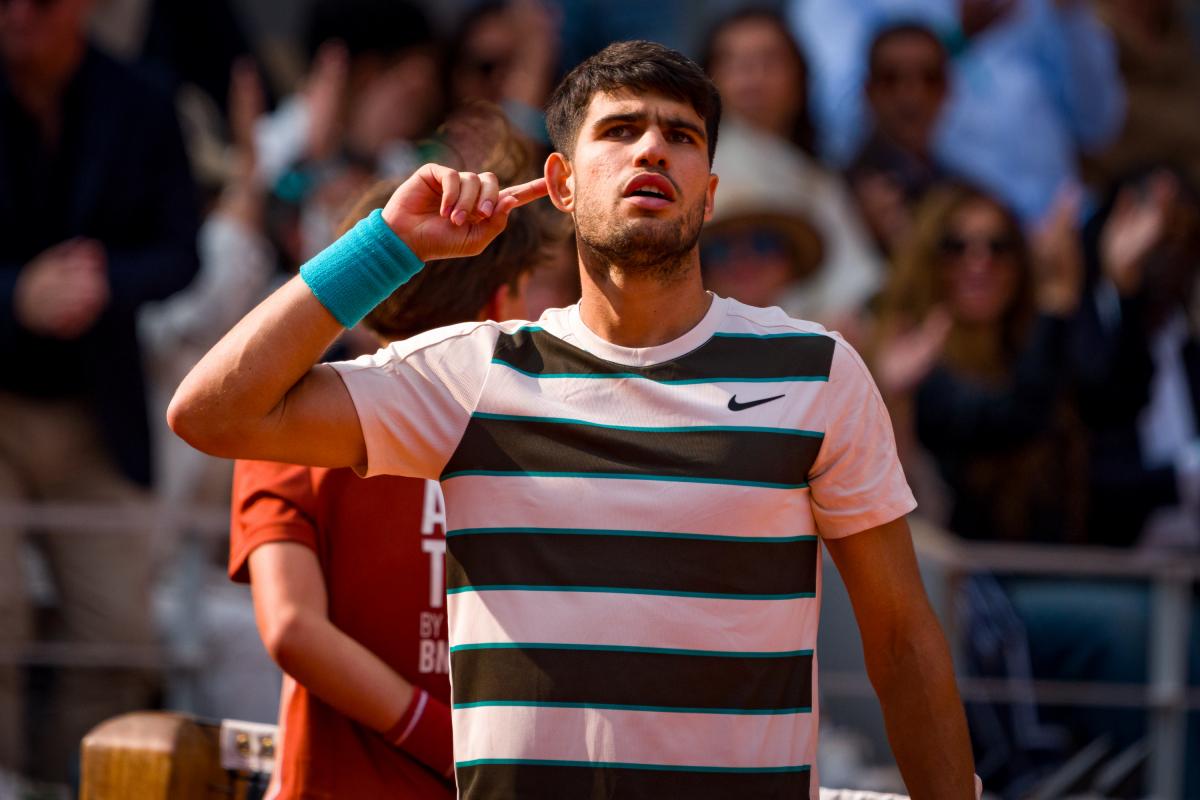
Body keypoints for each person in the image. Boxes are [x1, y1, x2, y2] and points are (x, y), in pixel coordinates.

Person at [170, 40, 975, 798]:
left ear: (710, 190)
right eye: (620, 130)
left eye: (682, 137)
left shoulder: (817, 371)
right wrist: (386, 248)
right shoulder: (471, 372)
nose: (652, 150)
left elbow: (903, 640)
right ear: (560, 185)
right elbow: (213, 413)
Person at [231, 112, 552, 799]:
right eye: (529, 289)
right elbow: (291, 628)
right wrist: (451, 743)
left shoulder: (288, 423)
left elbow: (291, 626)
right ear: (500, 300)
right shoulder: (542, 440)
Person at [0, 0, 199, 783]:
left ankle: (67, 784)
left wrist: (99, 282)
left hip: (96, 407)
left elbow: (181, 251)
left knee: (117, 635)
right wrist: (18, 295)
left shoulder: (142, 100)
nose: (20, 15)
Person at [788, 0, 1126, 222]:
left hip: (1065, 224)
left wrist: (1069, 16)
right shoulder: (839, 8)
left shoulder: (1038, 12)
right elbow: (843, 124)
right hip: (940, 231)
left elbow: (1098, 127)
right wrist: (961, 37)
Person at [701, 8, 884, 329]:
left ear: (800, 78)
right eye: (734, 63)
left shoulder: (818, 178)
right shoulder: (693, 168)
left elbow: (856, 287)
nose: (752, 76)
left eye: (769, 61)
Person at [846, 22, 951, 256]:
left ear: (947, 89)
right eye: (891, 79)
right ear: (868, 91)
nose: (911, 95)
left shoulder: (959, 190)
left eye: (929, 78)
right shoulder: (836, 194)